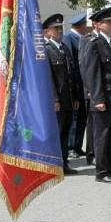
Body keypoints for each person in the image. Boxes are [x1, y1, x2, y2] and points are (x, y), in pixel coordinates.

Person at [80, 7, 111, 184]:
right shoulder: (92, 43)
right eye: (108, 22)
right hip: (103, 98)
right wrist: (98, 98)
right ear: (97, 25)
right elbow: (91, 73)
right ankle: (102, 171)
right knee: (103, 136)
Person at [43, 13, 79, 175]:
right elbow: (48, 78)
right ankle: (53, 164)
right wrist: (54, 99)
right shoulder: (46, 51)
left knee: (65, 132)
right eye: (55, 29)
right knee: (56, 133)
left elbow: (72, 75)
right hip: (57, 101)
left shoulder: (64, 48)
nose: (59, 31)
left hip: (68, 99)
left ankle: (64, 162)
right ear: (47, 33)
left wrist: (76, 97)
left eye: (60, 28)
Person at [63, 13, 89, 157]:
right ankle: (71, 146)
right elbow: (71, 63)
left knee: (82, 118)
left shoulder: (82, 39)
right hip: (76, 84)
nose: (86, 27)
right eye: (84, 24)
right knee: (74, 118)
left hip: (84, 85)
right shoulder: (69, 38)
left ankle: (78, 146)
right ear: (80, 25)